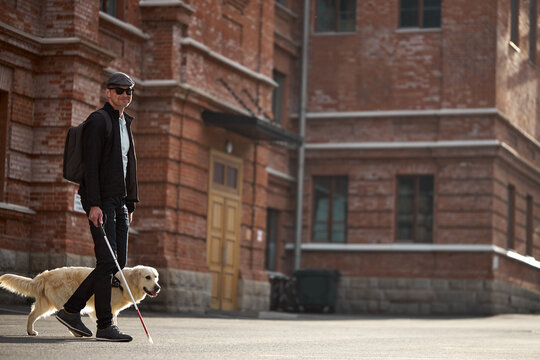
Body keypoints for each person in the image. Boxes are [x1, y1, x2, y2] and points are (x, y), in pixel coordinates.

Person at [56, 72, 139, 342]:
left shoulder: (125, 122)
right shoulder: (98, 121)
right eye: (119, 90)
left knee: (117, 261)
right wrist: (92, 204)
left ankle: (72, 310)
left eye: (129, 91)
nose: (125, 95)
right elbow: (90, 167)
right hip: (101, 202)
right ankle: (103, 324)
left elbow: (129, 166)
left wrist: (131, 202)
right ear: (108, 93)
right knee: (107, 261)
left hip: (120, 203)